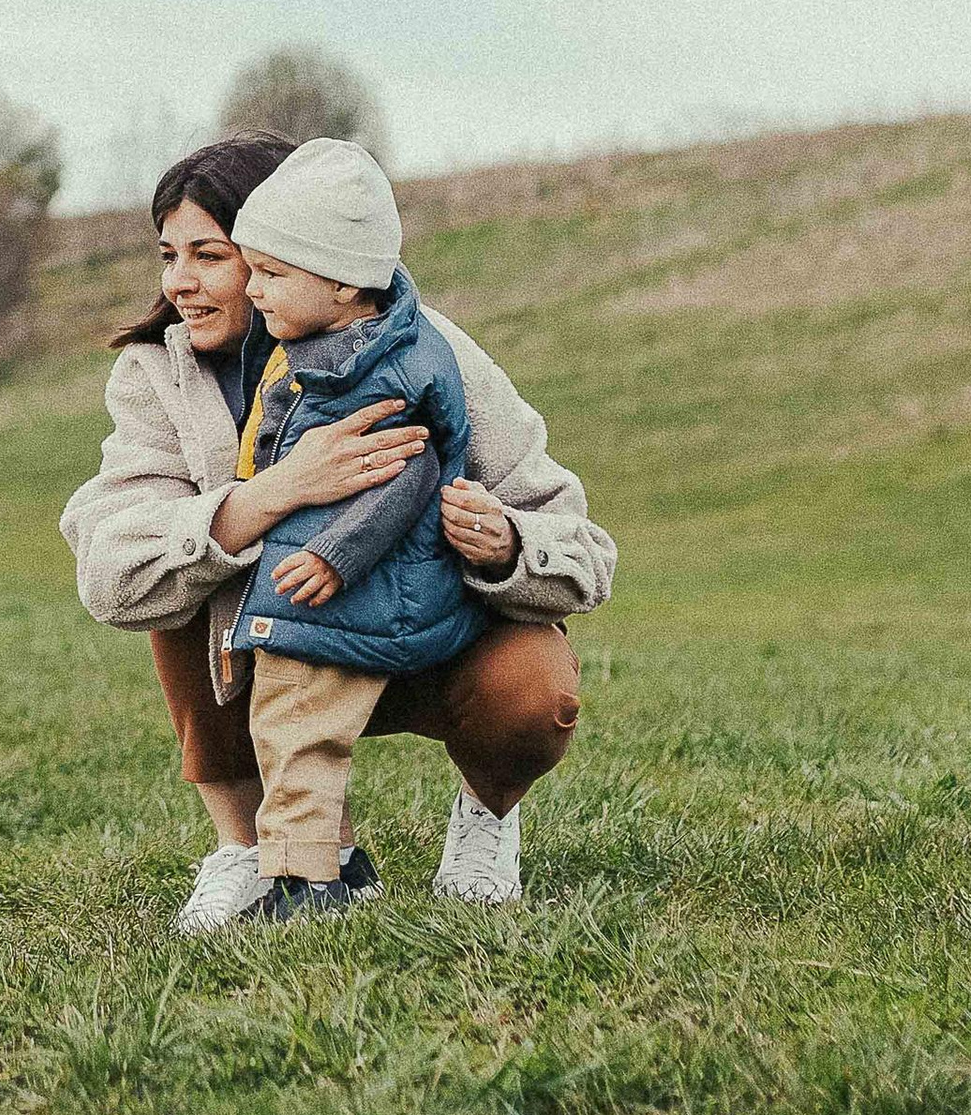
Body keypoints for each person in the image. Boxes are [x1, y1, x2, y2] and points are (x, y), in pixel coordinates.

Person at [59, 131, 615, 931]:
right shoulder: (159, 373)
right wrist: (271, 496)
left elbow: (584, 550)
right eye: (167, 255)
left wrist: (507, 544)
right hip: (286, 651)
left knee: (534, 691)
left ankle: (487, 821)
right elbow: (111, 565)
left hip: (423, 637)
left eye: (211, 256)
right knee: (174, 583)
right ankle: (257, 849)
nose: (180, 283)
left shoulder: (427, 352)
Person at [224, 140, 498, 921]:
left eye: (272, 273)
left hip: (350, 589)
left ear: (344, 282)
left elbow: (409, 468)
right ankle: (326, 872)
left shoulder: (376, 368)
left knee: (296, 729)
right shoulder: (353, 342)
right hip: (338, 584)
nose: (253, 288)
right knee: (292, 730)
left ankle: (306, 887)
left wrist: (335, 557)